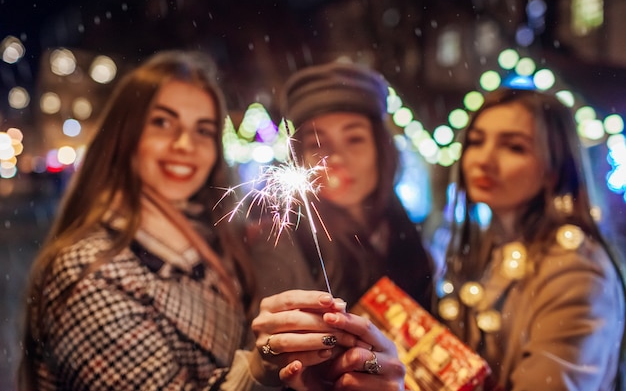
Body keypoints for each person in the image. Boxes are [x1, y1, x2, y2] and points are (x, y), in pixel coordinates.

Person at [17, 50, 405, 391]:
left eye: (203, 130)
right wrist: (259, 368)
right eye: (163, 123)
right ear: (124, 134)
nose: (185, 145)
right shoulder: (87, 271)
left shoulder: (219, 241)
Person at [436, 88, 626, 390]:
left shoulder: (576, 271)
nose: (483, 160)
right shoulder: (493, 248)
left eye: (514, 147)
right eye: (476, 141)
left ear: (553, 170)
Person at [248, 60, 435, 310]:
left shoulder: (407, 236)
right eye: (317, 144)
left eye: (354, 139)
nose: (335, 158)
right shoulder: (281, 242)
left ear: (381, 150)